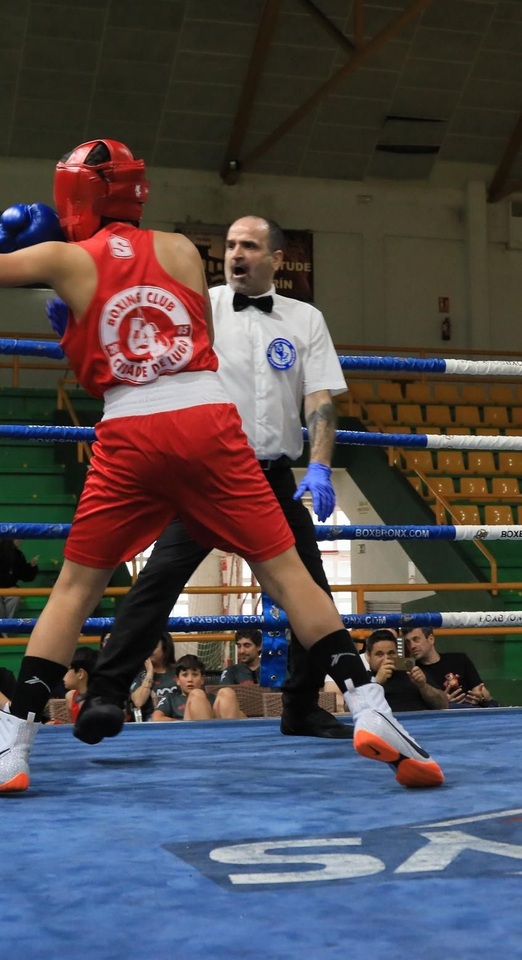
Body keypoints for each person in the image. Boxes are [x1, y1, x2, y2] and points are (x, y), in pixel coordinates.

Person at [0, 139, 441, 792]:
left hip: (132, 427)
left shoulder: (64, 257)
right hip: (210, 421)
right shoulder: (184, 250)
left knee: (76, 588)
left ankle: (10, 749)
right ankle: (372, 710)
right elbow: (190, 339)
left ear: (77, 196)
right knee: (288, 572)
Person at [68, 214, 354, 740]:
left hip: (269, 476)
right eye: (230, 245)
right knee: (158, 582)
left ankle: (300, 704)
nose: (236, 254)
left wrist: (318, 463)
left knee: (310, 587)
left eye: (249, 245)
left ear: (277, 259)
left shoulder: (306, 319)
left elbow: (319, 398)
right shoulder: (200, 307)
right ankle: (105, 694)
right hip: (207, 472)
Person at [403, 626, 494, 707]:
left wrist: (480, 696)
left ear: (431, 639)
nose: (412, 646)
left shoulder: (459, 659)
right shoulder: (412, 672)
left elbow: (484, 692)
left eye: (416, 640)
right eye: (408, 642)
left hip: (471, 711)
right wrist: (443, 702)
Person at [363, 630, 445, 712]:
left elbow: (443, 704)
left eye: (391, 653)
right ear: (368, 656)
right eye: (379, 654)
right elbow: (353, 709)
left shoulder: (412, 673)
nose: (386, 659)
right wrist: (376, 683)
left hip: (420, 722)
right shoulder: (363, 679)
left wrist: (423, 686)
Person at [128, 632, 180, 722]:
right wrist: (149, 673)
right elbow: (138, 702)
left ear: (165, 648)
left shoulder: (179, 671)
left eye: (154, 646)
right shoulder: (139, 673)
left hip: (180, 715)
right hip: (153, 720)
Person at [151, 654, 212, 721]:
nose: (190, 680)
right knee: (196, 693)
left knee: (224, 692)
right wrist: (183, 723)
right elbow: (156, 718)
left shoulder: (212, 698)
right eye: (185, 675)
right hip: (183, 730)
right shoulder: (170, 698)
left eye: (195, 675)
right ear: (177, 680)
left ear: (202, 679)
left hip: (212, 729)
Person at [60, 646, 97, 723]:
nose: (63, 674)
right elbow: (73, 727)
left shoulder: (104, 699)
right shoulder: (70, 697)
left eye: (67, 669)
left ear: (80, 673)